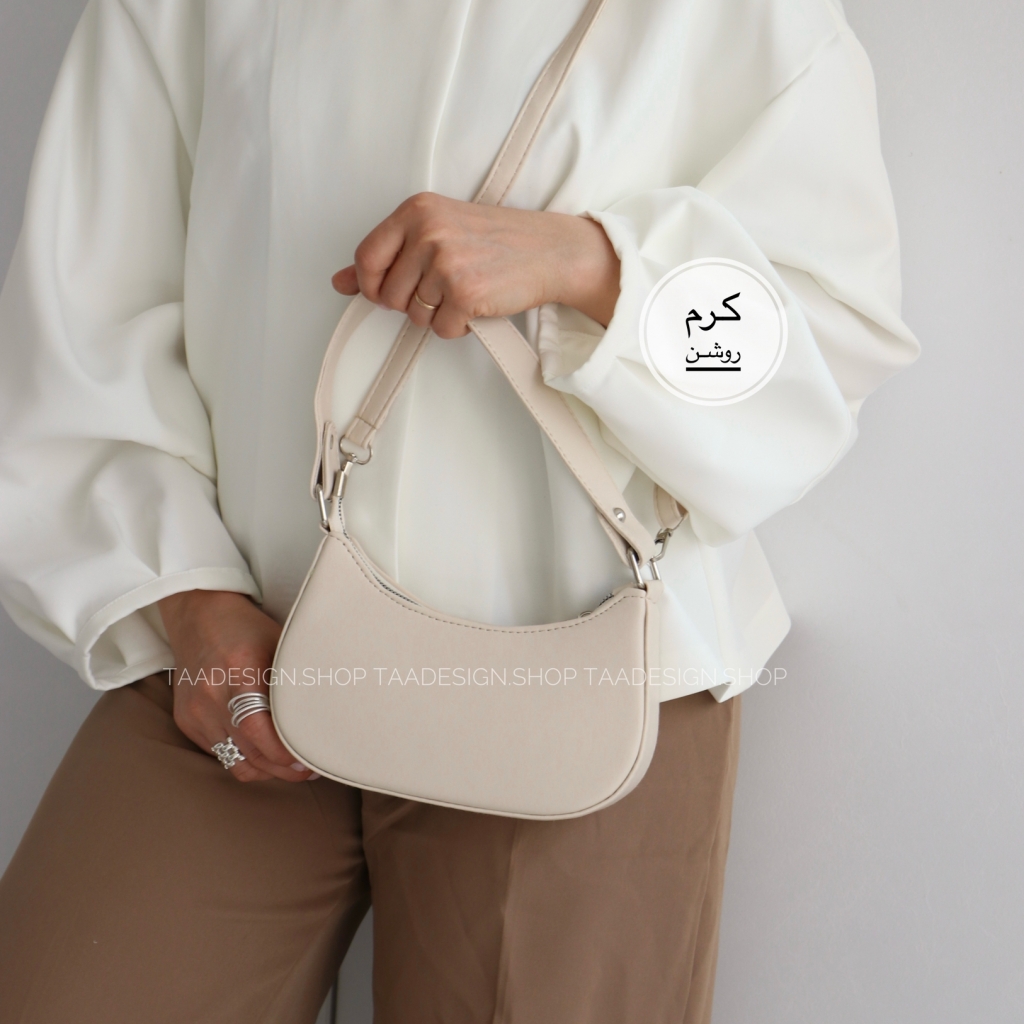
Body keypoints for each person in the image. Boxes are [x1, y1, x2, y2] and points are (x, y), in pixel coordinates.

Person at [0, 0, 919, 1021]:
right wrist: (182, 598)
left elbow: (825, 339)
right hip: (234, 657)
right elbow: (88, 315)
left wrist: (592, 267)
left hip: (586, 679)